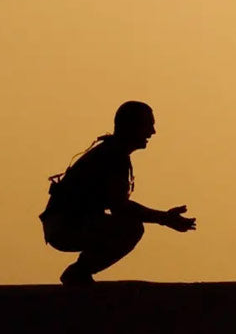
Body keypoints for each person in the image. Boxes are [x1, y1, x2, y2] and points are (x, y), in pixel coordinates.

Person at [39, 101, 196, 285]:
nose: (152, 132)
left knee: (128, 226)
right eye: (148, 125)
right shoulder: (112, 156)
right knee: (131, 228)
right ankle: (78, 273)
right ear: (131, 126)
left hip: (68, 223)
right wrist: (164, 218)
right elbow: (120, 207)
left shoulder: (114, 154)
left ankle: (79, 273)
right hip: (65, 226)